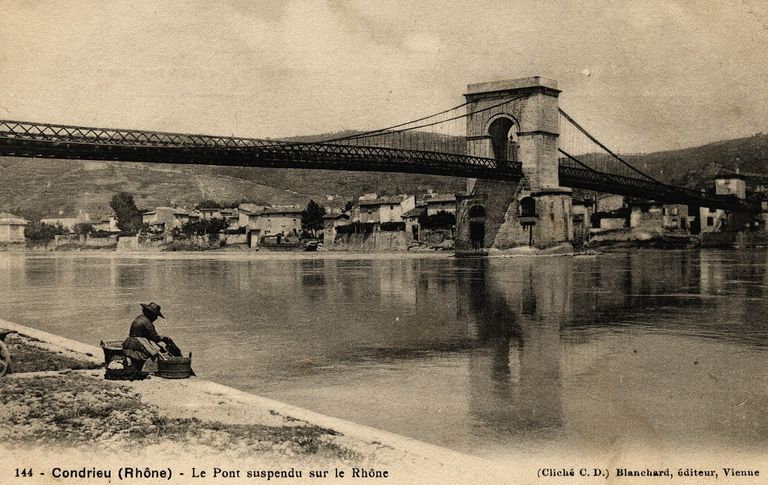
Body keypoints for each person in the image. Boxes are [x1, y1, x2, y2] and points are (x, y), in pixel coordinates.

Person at [122, 302, 178, 377]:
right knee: (155, 352)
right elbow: (154, 337)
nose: (156, 318)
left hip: (130, 341)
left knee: (155, 348)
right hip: (137, 342)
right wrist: (164, 338)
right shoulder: (147, 323)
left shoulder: (140, 317)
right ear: (151, 314)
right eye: (155, 315)